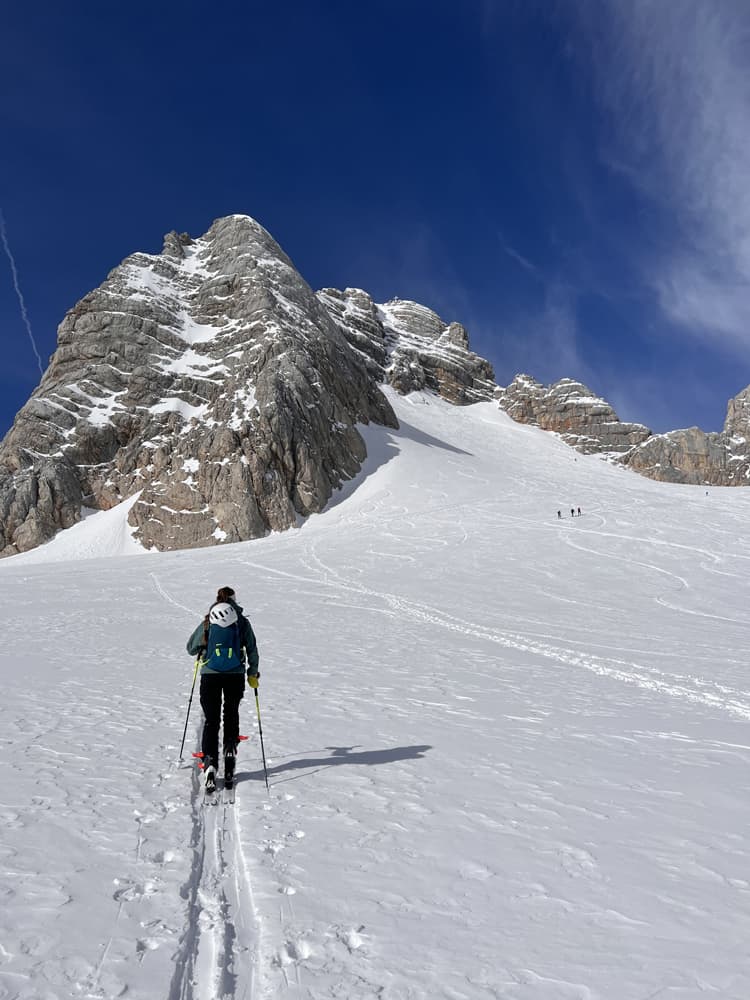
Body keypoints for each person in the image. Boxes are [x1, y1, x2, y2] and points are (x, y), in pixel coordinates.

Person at [186, 585, 260, 791]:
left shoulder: (209, 620)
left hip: (210, 676)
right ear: (234, 600)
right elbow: (252, 649)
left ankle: (210, 764)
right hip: (235, 675)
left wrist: (204, 646)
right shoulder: (242, 622)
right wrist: (252, 673)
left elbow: (190, 648)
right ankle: (229, 751)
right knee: (231, 713)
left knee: (211, 720)